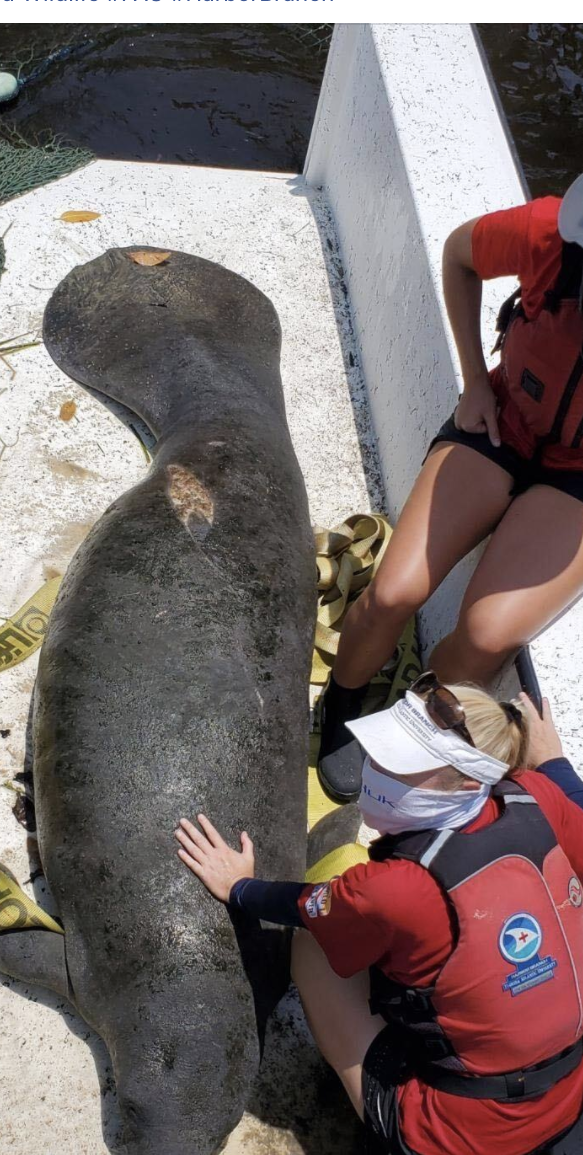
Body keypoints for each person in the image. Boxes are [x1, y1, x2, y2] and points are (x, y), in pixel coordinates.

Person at [175, 676, 583, 1155]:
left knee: (312, 945)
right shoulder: (539, 795)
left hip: (457, 1133)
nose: (376, 768)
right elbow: (572, 797)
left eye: (402, 766)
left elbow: (302, 908)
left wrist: (238, 885)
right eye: (381, 751)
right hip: (568, 1092)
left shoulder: (392, 890)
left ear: (472, 779)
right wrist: (553, 760)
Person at [317, 174, 583, 803]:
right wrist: (474, 381)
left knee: (489, 636)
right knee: (392, 592)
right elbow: (461, 256)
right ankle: (342, 701)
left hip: (575, 477)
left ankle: (409, 722)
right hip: (503, 420)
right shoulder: (547, 231)